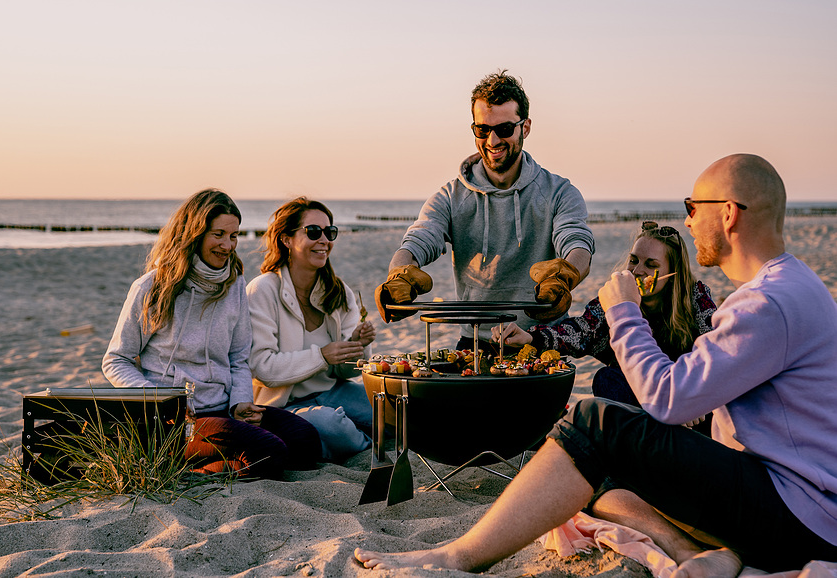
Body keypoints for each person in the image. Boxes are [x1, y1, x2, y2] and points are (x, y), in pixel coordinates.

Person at [354, 154, 837, 575]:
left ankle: (458, 557)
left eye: (693, 207)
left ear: (728, 214)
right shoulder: (791, 287)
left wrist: (622, 310)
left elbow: (668, 399)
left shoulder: (766, 303)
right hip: (787, 495)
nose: (688, 221)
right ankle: (694, 549)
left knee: (592, 420)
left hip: (798, 514)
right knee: (580, 465)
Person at [102, 189, 321, 480]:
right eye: (218, 234)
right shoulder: (152, 287)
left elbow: (239, 357)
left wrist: (240, 403)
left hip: (224, 410)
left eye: (234, 236)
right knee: (269, 453)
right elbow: (116, 360)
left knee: (306, 442)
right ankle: (182, 467)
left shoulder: (234, 284)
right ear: (194, 233)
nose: (228, 245)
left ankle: (221, 459)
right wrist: (161, 401)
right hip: (177, 421)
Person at [374, 70, 595, 352]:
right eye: (483, 130)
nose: (492, 141)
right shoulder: (450, 196)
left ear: (525, 128)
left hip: (541, 338)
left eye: (504, 129)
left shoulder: (559, 192)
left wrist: (566, 276)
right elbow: (419, 239)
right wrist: (399, 274)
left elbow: (578, 244)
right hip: (475, 340)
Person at [493, 220, 717, 409]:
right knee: (607, 379)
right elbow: (580, 331)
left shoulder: (695, 297)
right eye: (633, 260)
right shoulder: (614, 297)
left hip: (688, 399)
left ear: (672, 272)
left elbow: (716, 353)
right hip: (641, 403)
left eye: (651, 264)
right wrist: (530, 337)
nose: (637, 270)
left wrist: (692, 399)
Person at [247, 197, 376, 462]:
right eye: (313, 232)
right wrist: (323, 355)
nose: (325, 240)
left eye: (330, 232)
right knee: (333, 426)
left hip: (333, 391)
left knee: (393, 407)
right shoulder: (262, 290)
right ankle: (366, 442)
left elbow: (346, 372)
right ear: (286, 239)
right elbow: (262, 367)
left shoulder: (337, 290)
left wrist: (356, 346)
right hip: (283, 403)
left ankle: (358, 436)